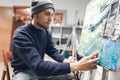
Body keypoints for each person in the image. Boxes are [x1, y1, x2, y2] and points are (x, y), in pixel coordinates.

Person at [11, 0, 99, 80]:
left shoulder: (46, 31)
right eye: (47, 14)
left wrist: (66, 61)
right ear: (35, 13)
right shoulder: (21, 34)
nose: (51, 19)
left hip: (38, 70)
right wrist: (76, 66)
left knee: (70, 76)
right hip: (23, 72)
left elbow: (52, 50)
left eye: (52, 15)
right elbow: (38, 66)